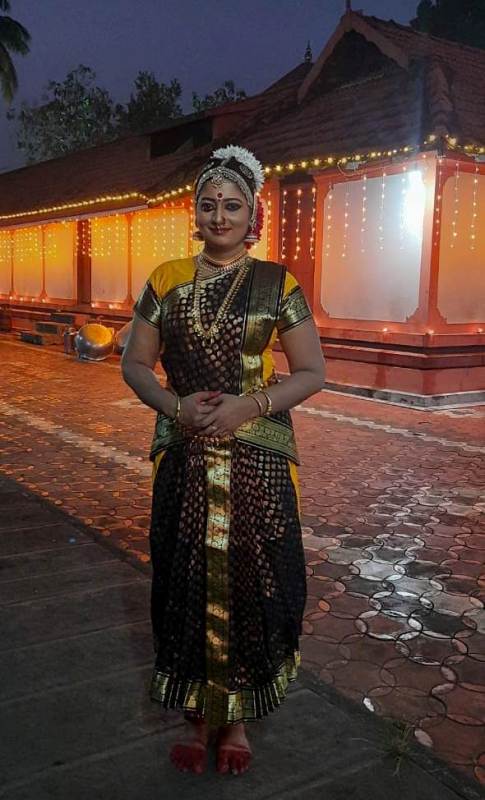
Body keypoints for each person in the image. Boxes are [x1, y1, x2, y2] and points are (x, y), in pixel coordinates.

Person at [121, 145, 325, 777]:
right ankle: (195, 712)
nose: (220, 216)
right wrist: (175, 406)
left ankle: (235, 719)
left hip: (256, 457)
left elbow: (312, 372)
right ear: (195, 211)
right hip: (184, 452)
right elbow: (135, 363)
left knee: (251, 579)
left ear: (252, 214)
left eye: (232, 206)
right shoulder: (166, 279)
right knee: (184, 576)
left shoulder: (277, 283)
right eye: (209, 204)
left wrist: (248, 406)